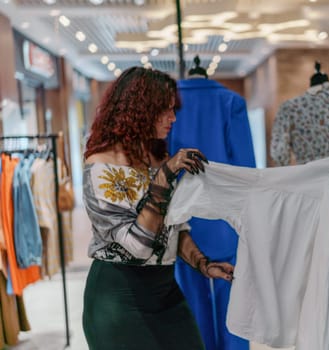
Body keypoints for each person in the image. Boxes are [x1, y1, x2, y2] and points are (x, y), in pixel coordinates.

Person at [81, 66, 234, 349]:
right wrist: (163, 177)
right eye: (164, 110)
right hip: (118, 298)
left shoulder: (156, 156)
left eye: (173, 109)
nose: (173, 118)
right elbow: (137, 247)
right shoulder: (100, 166)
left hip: (165, 293)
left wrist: (203, 263)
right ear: (139, 110)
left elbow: (177, 226)